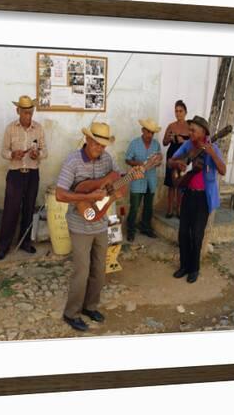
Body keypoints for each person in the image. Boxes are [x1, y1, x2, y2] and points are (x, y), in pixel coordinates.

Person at [56, 122, 144, 332]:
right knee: (82, 270)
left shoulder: (107, 159)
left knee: (99, 268)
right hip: (79, 224)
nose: (100, 149)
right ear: (87, 139)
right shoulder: (72, 161)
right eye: (97, 144)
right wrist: (88, 196)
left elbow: (117, 179)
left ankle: (90, 306)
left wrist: (132, 175)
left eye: (104, 145)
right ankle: (71, 313)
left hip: (100, 221)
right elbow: (60, 194)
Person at [168, 116, 226, 283]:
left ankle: (194, 269)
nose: (190, 132)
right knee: (183, 233)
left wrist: (212, 154)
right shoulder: (187, 146)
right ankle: (184, 266)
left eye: (193, 130)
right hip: (188, 194)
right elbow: (171, 161)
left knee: (197, 235)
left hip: (203, 198)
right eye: (190, 129)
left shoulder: (212, 147)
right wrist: (178, 165)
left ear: (203, 132)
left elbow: (222, 170)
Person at [0, 96, 48, 260]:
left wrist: (37, 154)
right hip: (15, 174)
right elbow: (3, 151)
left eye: (30, 113)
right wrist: (12, 155)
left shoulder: (38, 129)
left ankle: (25, 243)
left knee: (29, 208)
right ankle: (3, 246)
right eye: (25, 113)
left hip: (32, 173)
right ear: (18, 111)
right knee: (11, 210)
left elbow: (45, 152)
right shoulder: (10, 128)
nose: (28, 116)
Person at [124, 118, 163, 242]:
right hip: (137, 179)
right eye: (148, 132)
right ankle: (130, 230)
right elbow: (127, 159)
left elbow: (159, 159)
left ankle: (145, 228)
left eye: (152, 133)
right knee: (134, 206)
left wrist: (156, 162)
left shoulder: (156, 144)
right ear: (143, 130)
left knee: (148, 206)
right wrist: (139, 164)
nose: (150, 135)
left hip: (150, 180)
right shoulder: (134, 143)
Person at [162, 100, 190, 218]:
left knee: (180, 184)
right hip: (172, 156)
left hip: (183, 157)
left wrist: (183, 140)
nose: (178, 113)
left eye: (180, 111)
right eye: (176, 111)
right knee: (171, 184)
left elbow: (194, 143)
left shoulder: (189, 126)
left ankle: (179, 209)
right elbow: (164, 143)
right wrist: (169, 138)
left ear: (185, 112)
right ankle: (169, 209)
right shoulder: (171, 126)